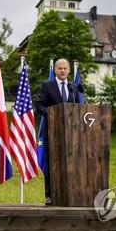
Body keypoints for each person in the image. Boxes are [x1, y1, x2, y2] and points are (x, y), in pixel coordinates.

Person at [36, 58, 83, 205]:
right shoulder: (47, 85)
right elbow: (39, 105)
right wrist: (52, 114)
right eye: (60, 68)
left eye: (65, 68)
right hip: (51, 131)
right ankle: (50, 195)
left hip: (71, 134)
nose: (62, 71)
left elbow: (77, 108)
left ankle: (70, 194)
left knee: (71, 163)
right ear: (55, 70)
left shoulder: (74, 87)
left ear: (69, 70)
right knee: (52, 164)